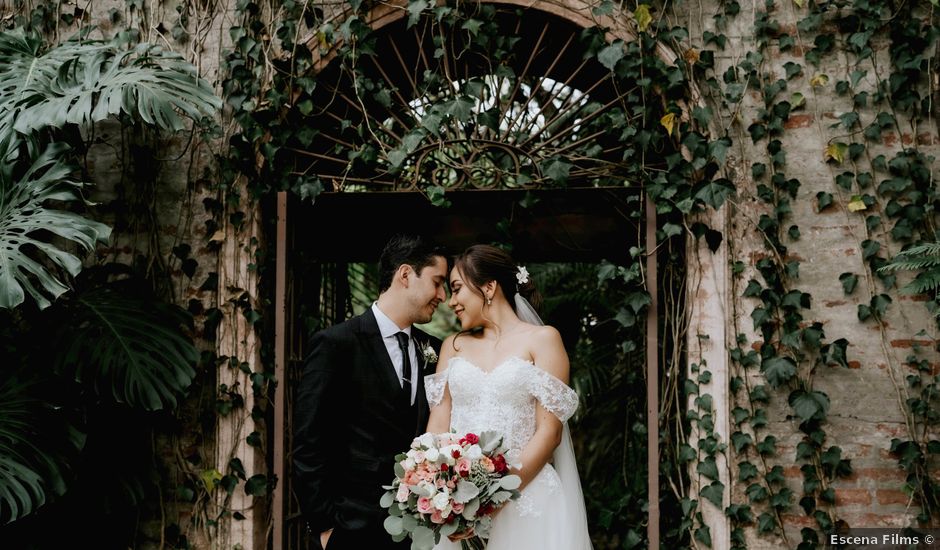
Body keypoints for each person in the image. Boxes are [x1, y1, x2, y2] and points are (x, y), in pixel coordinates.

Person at [424, 244, 593, 550]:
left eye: (457, 289)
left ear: (489, 287)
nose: (451, 302)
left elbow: (550, 432)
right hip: (460, 503)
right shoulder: (453, 346)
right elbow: (438, 422)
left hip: (527, 499)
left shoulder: (543, 340)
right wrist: (435, 485)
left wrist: (493, 497)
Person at [293, 234, 449, 550]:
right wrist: (325, 529)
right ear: (405, 275)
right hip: (352, 529)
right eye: (437, 282)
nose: (443, 295)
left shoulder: (434, 350)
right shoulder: (336, 344)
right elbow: (308, 443)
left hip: (419, 531)